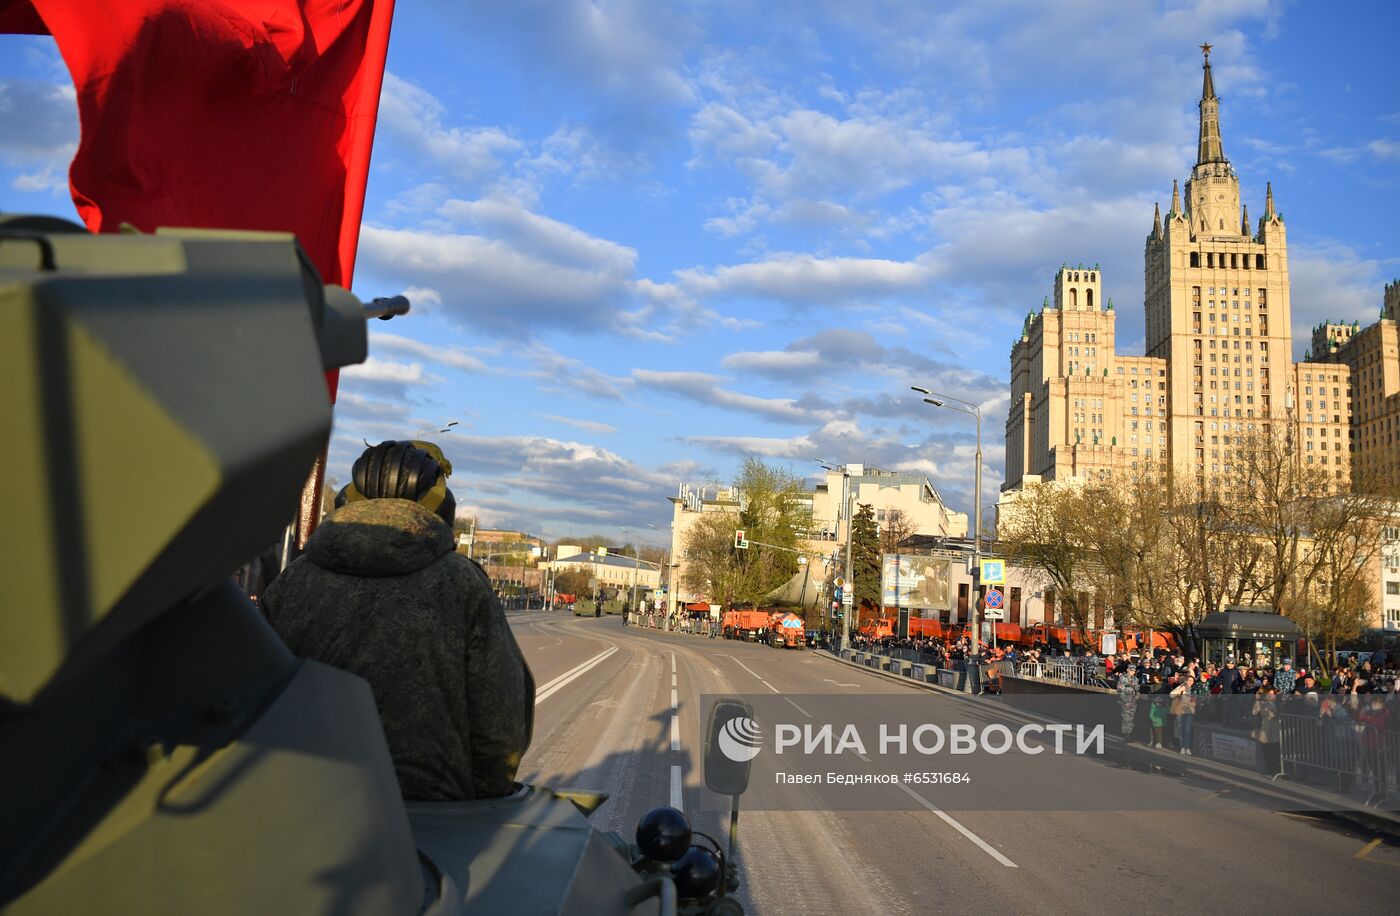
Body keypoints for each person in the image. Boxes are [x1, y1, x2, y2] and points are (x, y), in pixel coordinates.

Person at [263, 440, 534, 801]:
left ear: (348, 500)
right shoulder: (463, 585)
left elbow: (248, 693)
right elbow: (500, 728)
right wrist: (480, 802)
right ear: (443, 508)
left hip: (296, 803)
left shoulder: (292, 581)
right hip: (429, 821)